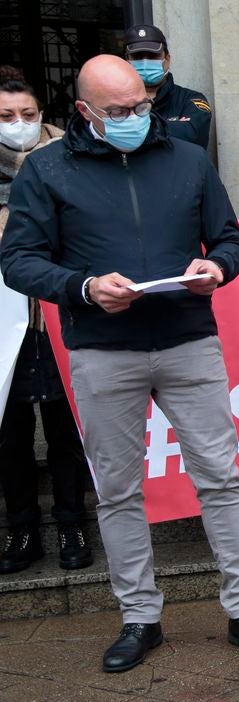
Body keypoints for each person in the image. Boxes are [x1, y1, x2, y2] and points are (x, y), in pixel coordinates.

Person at [0, 55, 239, 672]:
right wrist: (82, 286)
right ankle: (139, 618)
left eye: (142, 105)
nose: (135, 118)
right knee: (120, 492)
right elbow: (18, 260)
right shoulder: (47, 170)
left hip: (187, 340)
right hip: (103, 351)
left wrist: (220, 268)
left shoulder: (187, 158)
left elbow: (229, 238)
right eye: (119, 112)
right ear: (84, 112)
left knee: (221, 478)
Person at [0, 78, 93, 573]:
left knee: (65, 429)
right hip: (3, 327)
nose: (20, 124)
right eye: (7, 115)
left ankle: (72, 523)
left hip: (54, 317)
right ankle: (21, 530)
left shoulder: (67, 161)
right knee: (9, 434)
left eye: (27, 112)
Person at [123, 24, 212, 148]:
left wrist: (133, 126)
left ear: (167, 59)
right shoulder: (118, 101)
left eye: (152, 56)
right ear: (127, 61)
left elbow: (193, 136)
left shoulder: (190, 99)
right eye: (138, 57)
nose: (145, 62)